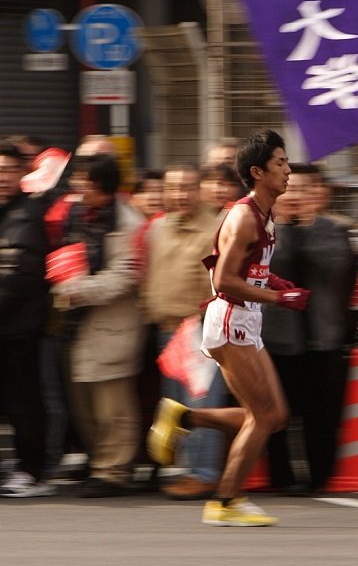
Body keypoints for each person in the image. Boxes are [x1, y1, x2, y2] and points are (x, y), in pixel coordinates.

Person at [147, 130, 310, 527]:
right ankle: (224, 501)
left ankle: (185, 419)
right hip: (230, 321)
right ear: (257, 172)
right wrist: (277, 299)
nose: (288, 172)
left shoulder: (266, 213)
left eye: (287, 162)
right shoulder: (243, 216)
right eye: (280, 164)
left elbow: (249, 272)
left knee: (275, 415)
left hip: (247, 320)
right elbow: (223, 280)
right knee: (261, 417)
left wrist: (276, 284)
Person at [51, 154, 146, 497]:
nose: (79, 186)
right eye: (77, 179)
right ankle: (99, 464)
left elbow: (127, 273)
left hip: (111, 323)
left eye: (86, 181)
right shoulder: (74, 213)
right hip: (75, 323)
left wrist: (78, 290)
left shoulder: (128, 222)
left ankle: (115, 471)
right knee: (83, 403)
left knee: (113, 407)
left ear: (104, 185)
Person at [263, 163, 357, 494]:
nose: (296, 196)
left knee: (322, 415)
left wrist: (306, 227)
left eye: (304, 189)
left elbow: (334, 267)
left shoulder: (333, 230)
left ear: (318, 193)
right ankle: (281, 477)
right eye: (289, 188)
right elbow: (271, 265)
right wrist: (288, 228)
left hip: (322, 336)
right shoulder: (265, 229)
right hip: (277, 337)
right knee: (277, 413)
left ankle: (320, 477)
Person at [140, 164, 226, 500]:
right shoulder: (158, 226)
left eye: (188, 187)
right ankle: (188, 470)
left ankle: (205, 474)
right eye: (173, 188)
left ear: (202, 189)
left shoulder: (218, 227)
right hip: (166, 329)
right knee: (174, 405)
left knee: (201, 405)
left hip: (200, 330)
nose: (180, 194)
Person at [0, 141, 54, 497]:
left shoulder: (26, 215)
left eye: (8, 170)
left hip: (18, 328)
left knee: (23, 403)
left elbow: (17, 273)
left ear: (23, 174)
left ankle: (30, 472)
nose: (2, 177)